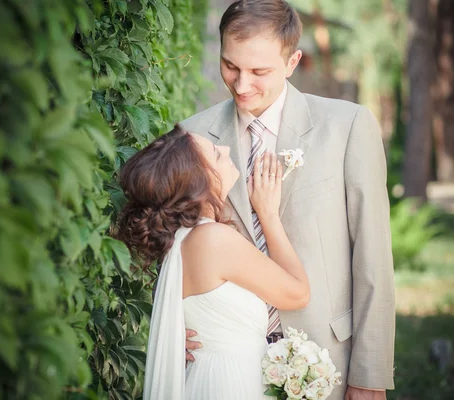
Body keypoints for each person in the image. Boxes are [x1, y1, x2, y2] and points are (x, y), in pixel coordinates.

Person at [180, 1, 395, 399]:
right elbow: (173, 250)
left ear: (292, 61)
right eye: (231, 66)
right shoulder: (192, 138)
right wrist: (174, 327)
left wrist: (370, 374)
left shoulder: (347, 127)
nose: (242, 85)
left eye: (259, 71)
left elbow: (374, 258)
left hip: (328, 359)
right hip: (225, 367)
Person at [116, 125, 311, 399]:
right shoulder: (213, 239)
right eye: (217, 155)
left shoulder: (182, 241)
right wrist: (268, 214)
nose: (227, 149)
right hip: (232, 382)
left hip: (207, 377)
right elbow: (298, 294)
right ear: (199, 181)